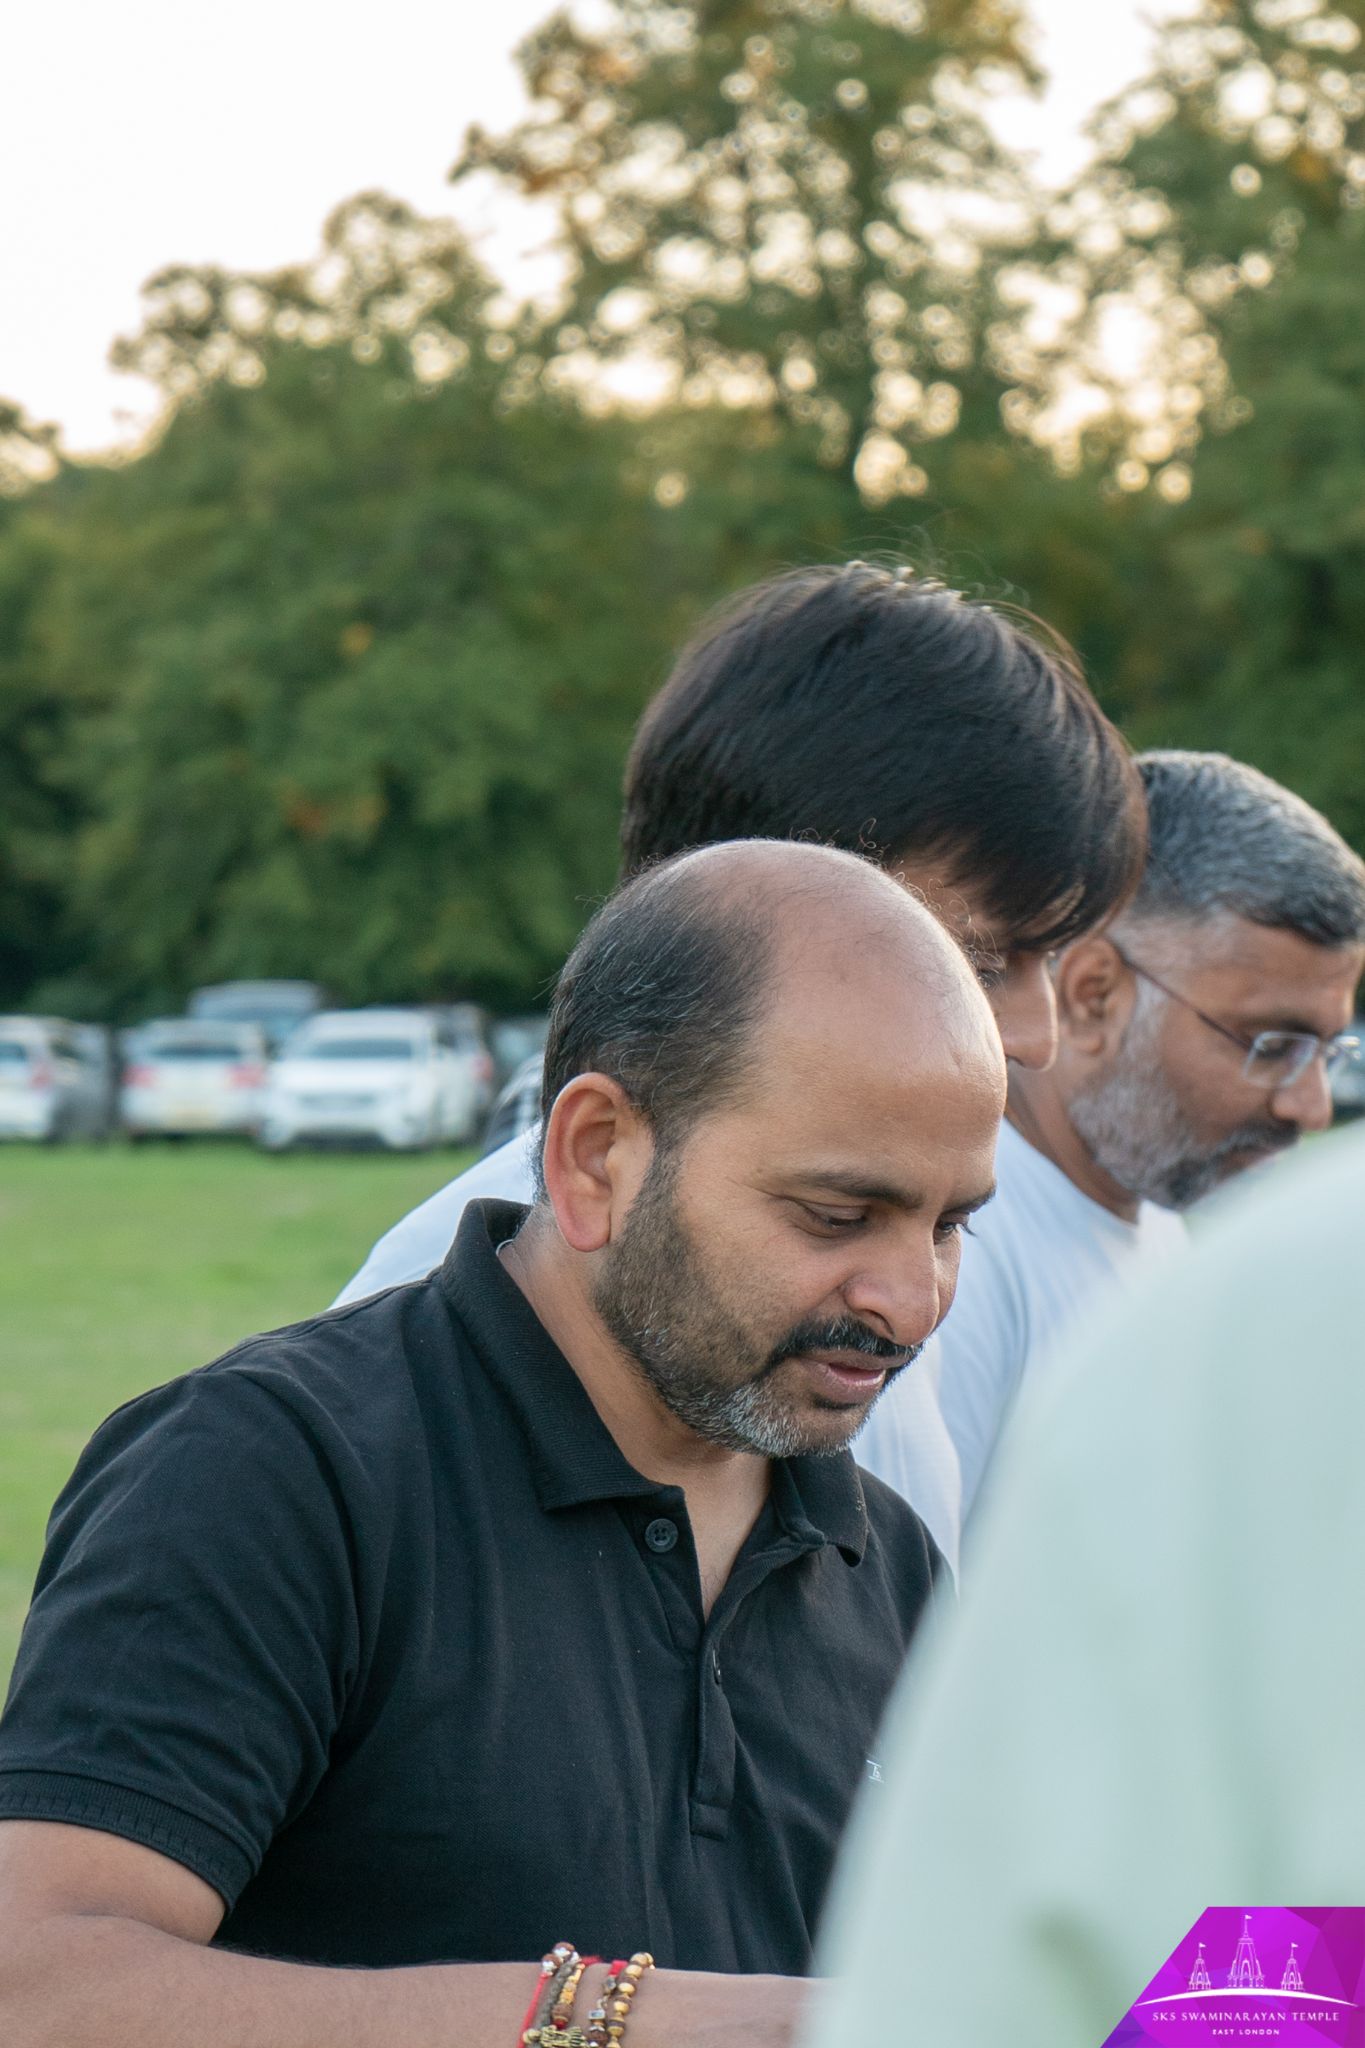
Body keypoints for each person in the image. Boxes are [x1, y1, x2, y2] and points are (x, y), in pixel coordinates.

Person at [0, 840, 1005, 2048]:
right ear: (597, 1154)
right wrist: (615, 2021)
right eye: (838, 1214)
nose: (911, 1298)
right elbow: (39, 1986)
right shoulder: (269, 1470)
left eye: (951, 1224)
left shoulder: (883, 1560)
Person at [336, 562, 1147, 1569]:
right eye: (979, 960)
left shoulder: (874, 1297)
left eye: (948, 1226)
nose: (1035, 1036)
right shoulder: (372, 1409)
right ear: (751, 890)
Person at [802, 1118, 1365, 2048]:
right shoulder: (1284, 1306)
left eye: (952, 1230)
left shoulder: (1276, 1298)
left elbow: (1028, 1990)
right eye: (834, 1215)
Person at [880, 750, 1365, 1527]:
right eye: (1271, 1046)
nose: (1310, 1107)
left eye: (1328, 1052)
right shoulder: (948, 1276)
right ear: (1093, 995)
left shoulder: (1160, 1219)